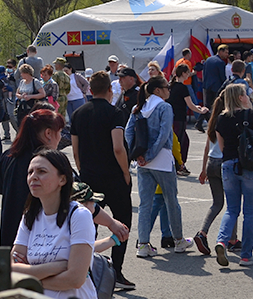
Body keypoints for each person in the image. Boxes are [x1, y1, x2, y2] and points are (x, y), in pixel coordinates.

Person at [70, 70, 133, 291]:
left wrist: (82, 170)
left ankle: (88, 270)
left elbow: (75, 151)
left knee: (88, 226)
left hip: (89, 178)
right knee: (121, 222)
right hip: (113, 177)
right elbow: (118, 146)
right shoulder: (115, 113)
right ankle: (116, 272)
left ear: (89, 89)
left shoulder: (78, 113)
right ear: (109, 89)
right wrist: (125, 172)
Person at [11, 149, 97, 299]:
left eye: (41, 171)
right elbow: (11, 270)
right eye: (30, 172)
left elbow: (75, 279)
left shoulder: (79, 215)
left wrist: (31, 278)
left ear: (62, 180)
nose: (33, 177)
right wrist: (58, 267)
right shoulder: (29, 216)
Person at [126, 75, 194, 257]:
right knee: (171, 200)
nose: (168, 90)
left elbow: (128, 132)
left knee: (145, 204)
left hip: (142, 163)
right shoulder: (165, 107)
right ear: (158, 90)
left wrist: (138, 155)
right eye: (166, 87)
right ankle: (179, 240)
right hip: (162, 160)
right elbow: (164, 135)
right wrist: (150, 155)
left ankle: (143, 244)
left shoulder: (138, 107)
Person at [0, 108, 65, 247]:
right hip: (39, 237)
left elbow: (0, 188)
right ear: (48, 133)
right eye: (60, 132)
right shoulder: (48, 161)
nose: (61, 137)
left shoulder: (8, 156)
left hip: (10, 231)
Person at [209, 84, 253, 267]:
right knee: (249, 211)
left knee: (231, 209)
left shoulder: (221, 118)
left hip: (227, 165)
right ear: (241, 96)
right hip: (248, 166)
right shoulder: (249, 115)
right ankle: (245, 255)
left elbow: (221, 147)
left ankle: (222, 241)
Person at [194, 94, 239, 255]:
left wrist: (203, 169)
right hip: (224, 161)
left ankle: (202, 232)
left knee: (217, 203)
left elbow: (207, 147)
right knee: (232, 204)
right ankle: (232, 239)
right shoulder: (228, 120)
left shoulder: (212, 122)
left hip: (211, 162)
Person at [168, 63, 209, 176]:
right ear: (184, 74)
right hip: (179, 118)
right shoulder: (182, 87)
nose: (189, 74)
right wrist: (201, 111)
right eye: (188, 72)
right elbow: (190, 105)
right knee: (180, 142)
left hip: (171, 118)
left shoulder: (170, 86)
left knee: (181, 141)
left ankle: (179, 164)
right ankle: (179, 165)